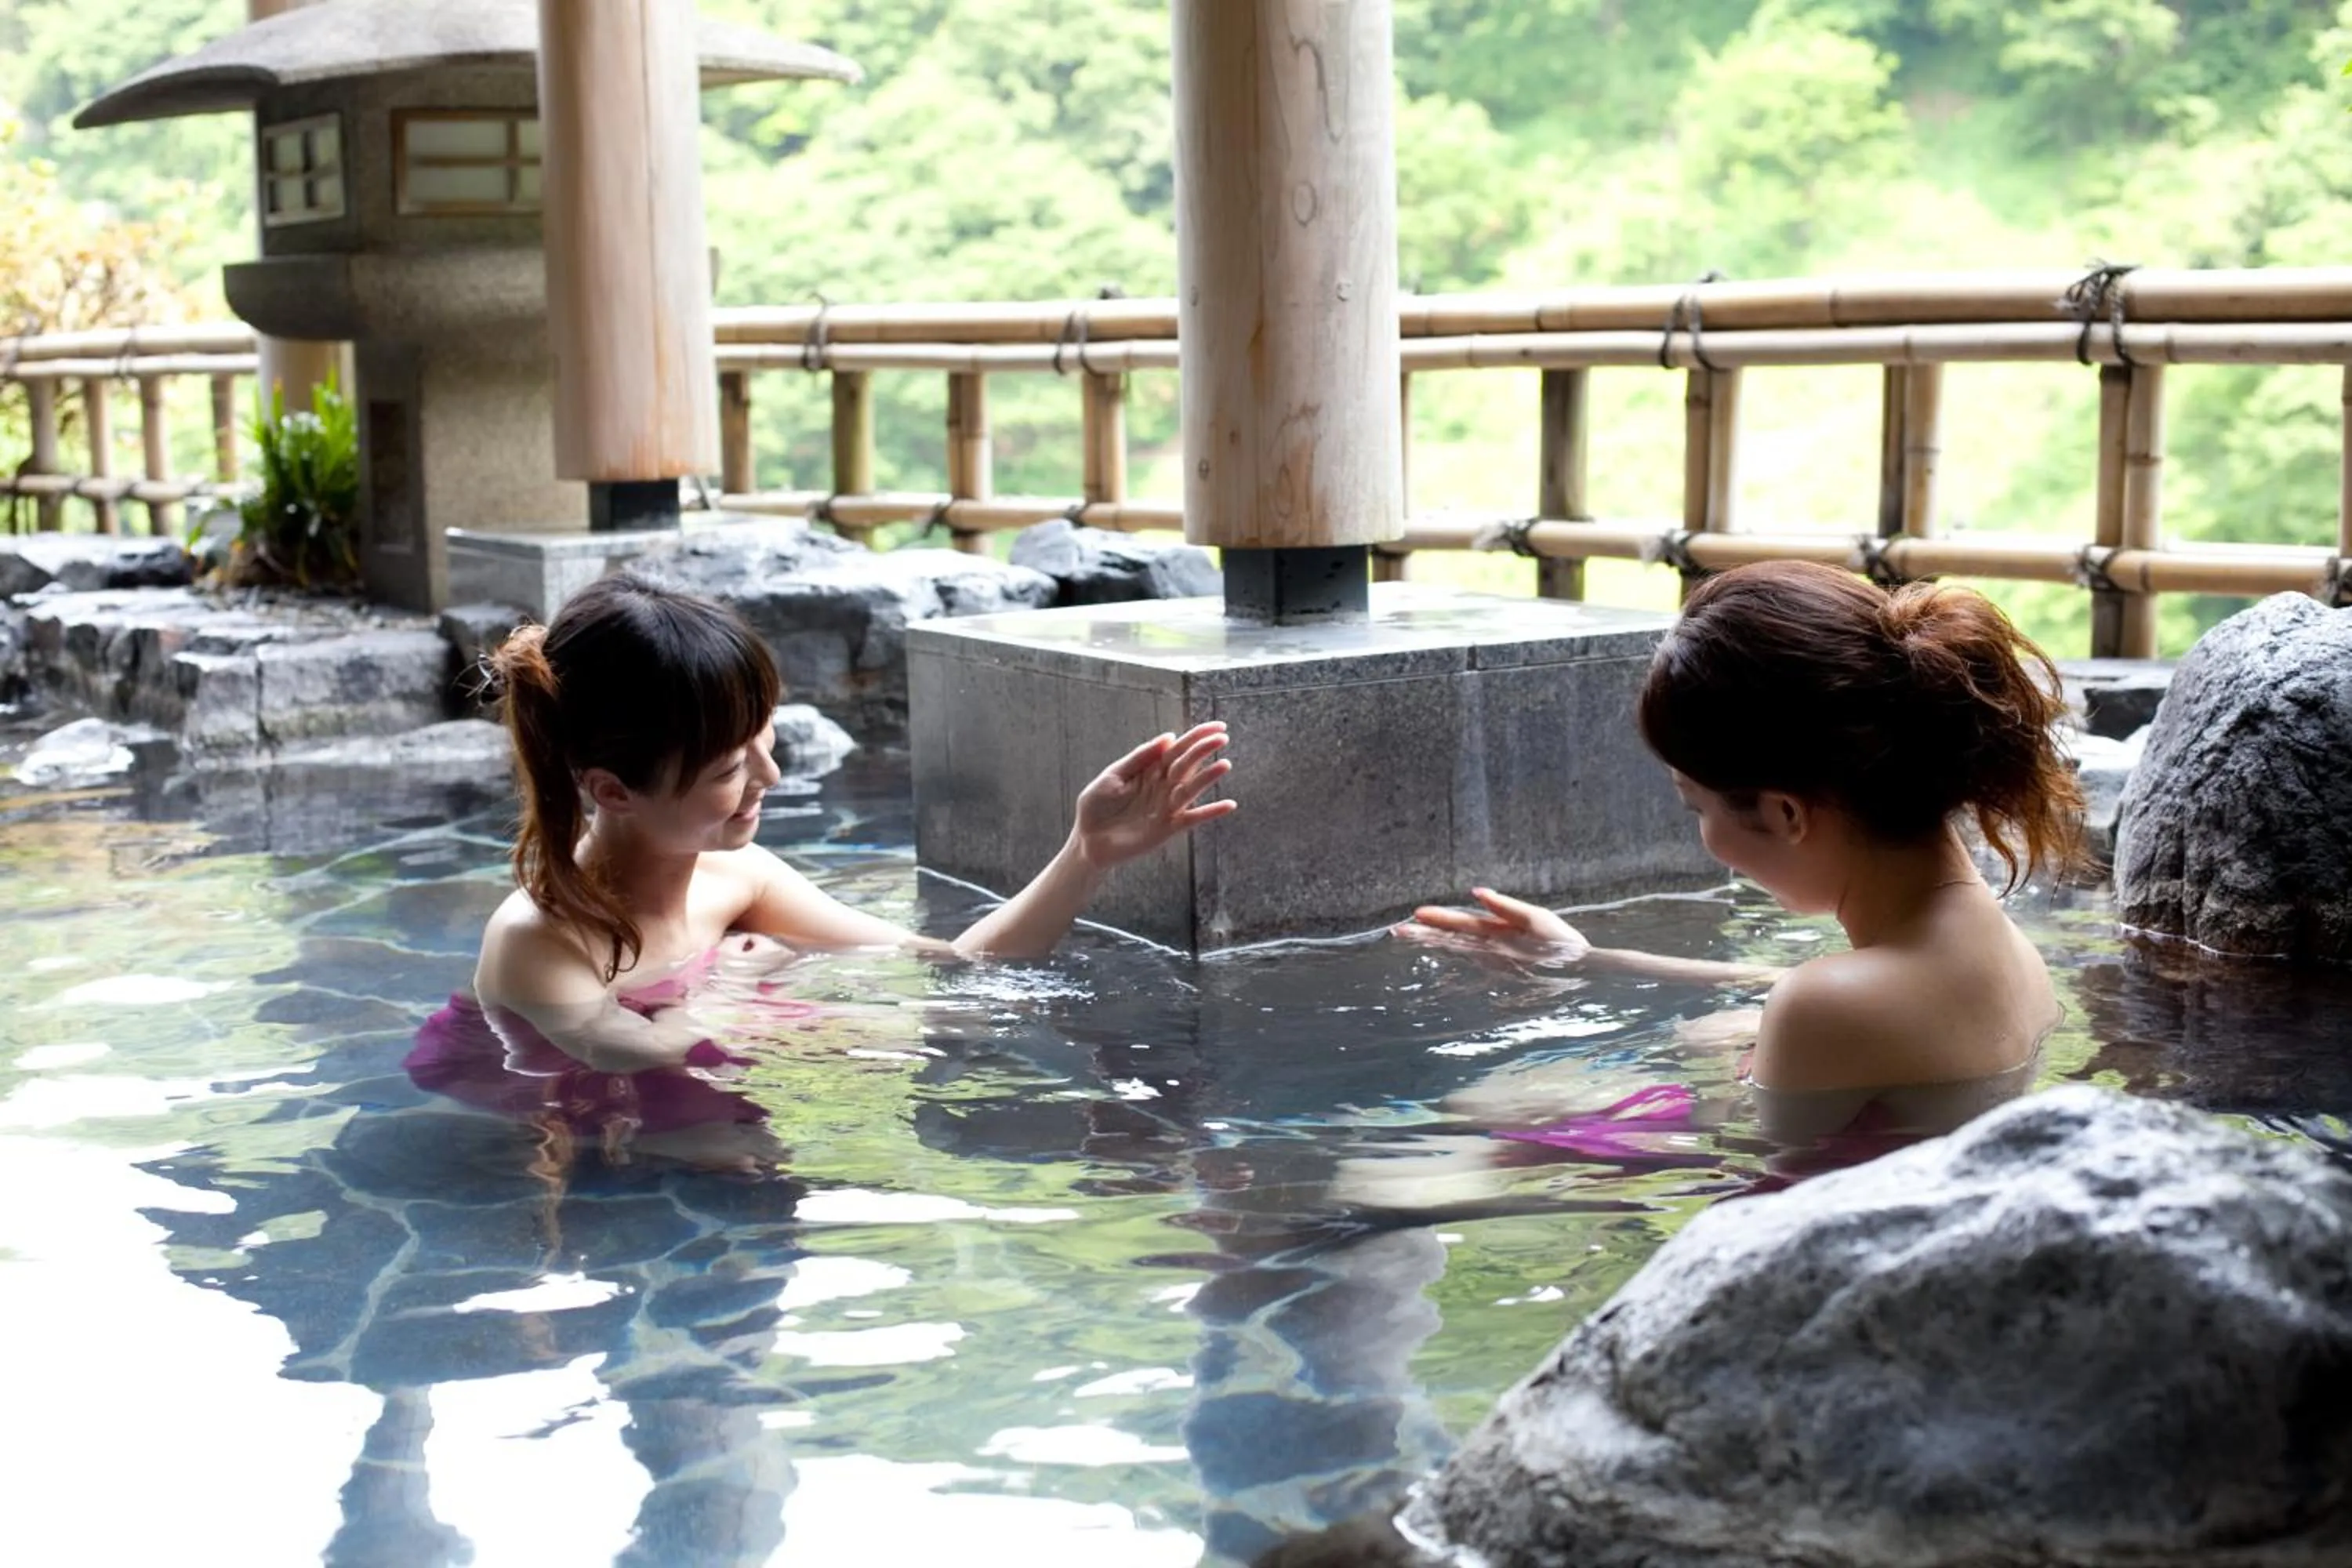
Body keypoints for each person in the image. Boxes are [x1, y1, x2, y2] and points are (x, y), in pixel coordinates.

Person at [424, 574, 1233, 1109]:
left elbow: (953, 970)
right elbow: (656, 1063)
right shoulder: (541, 944)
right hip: (544, 1129)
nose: (771, 776)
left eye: (767, 741)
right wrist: (743, 983)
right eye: (731, 766)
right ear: (612, 789)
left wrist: (1085, 853)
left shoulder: (735, 876)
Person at [1403, 560, 2082, 1147]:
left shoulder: (1822, 1006)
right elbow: (1814, 989)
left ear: (1784, 812)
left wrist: (1698, 1085)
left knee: (1451, 1136)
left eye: (1695, 805)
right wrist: (1590, 961)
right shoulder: (1999, 941)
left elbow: (1754, 1192)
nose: (1703, 831)